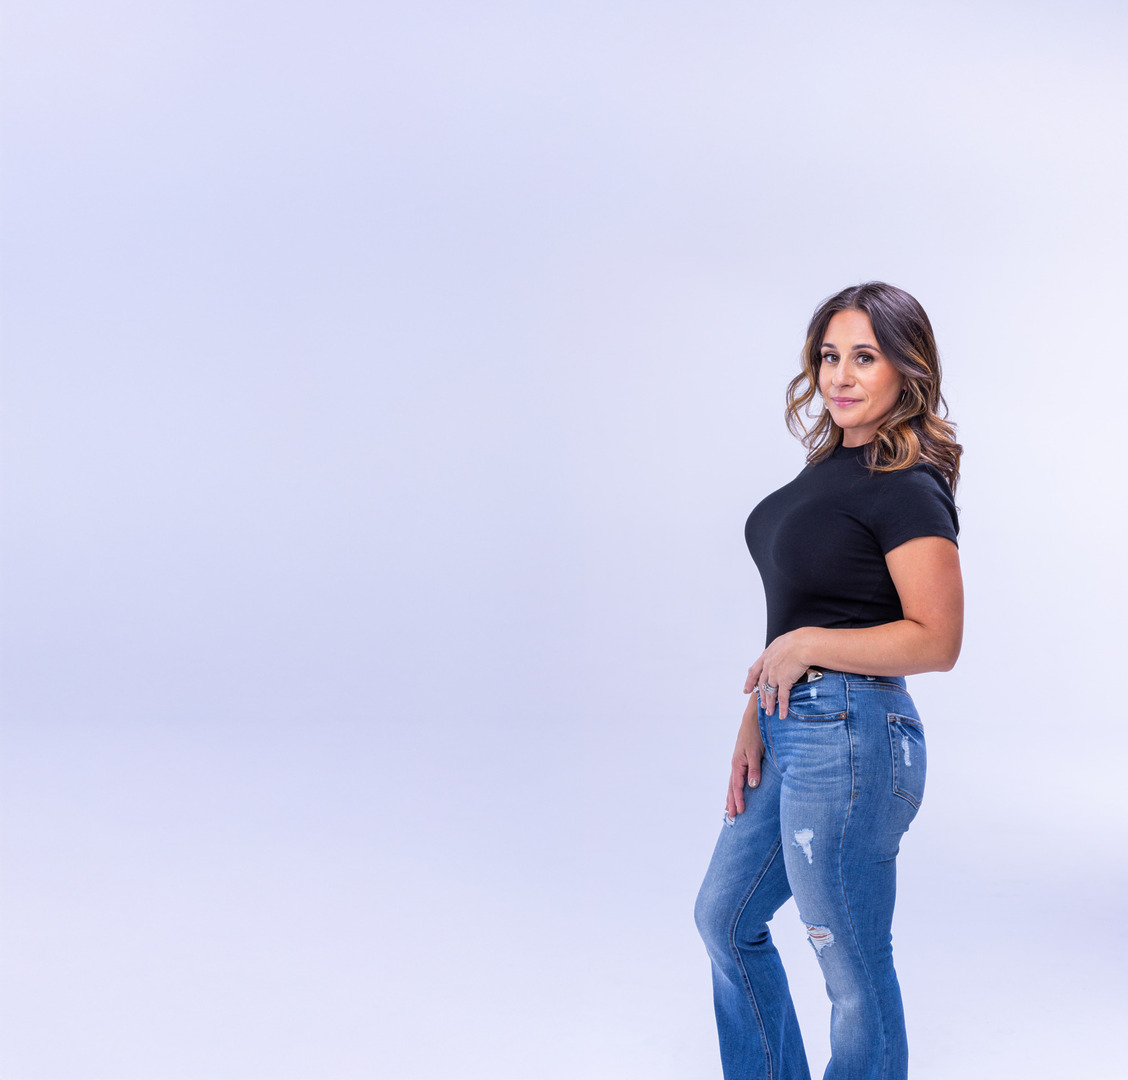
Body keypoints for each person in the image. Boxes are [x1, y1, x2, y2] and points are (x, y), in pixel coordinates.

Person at [694, 282, 963, 1080]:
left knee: (847, 961)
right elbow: (801, 612)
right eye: (828, 356)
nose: (840, 375)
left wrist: (808, 644)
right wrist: (757, 712)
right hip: (793, 726)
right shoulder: (829, 469)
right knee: (725, 917)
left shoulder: (907, 484)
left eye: (865, 357)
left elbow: (937, 639)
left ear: (905, 371)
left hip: (853, 734)